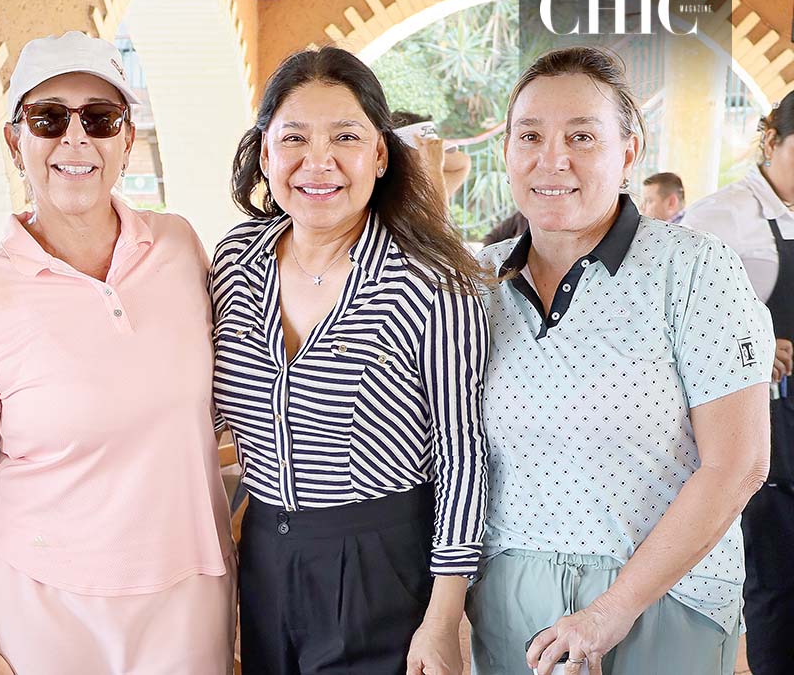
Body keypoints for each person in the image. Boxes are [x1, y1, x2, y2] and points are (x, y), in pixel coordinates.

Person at [0, 31, 234, 675]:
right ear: (15, 142)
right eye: (48, 119)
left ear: (127, 139)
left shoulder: (180, 247)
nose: (75, 139)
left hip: (189, 594)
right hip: (40, 606)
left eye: (99, 118)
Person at [468, 46, 773, 675]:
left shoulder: (694, 269)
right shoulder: (478, 282)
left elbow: (738, 463)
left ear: (629, 152)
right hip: (506, 597)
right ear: (507, 151)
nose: (553, 159)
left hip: (664, 592)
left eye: (582, 136)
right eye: (530, 136)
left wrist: (613, 608)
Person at [212, 47, 490, 675]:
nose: (319, 162)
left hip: (378, 565)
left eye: (345, 137)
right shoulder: (234, 262)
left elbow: (463, 456)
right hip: (264, 553)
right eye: (294, 138)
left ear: (380, 154)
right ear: (265, 154)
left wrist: (442, 619)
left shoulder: (431, 283)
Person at [680, 91, 794, 675]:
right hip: (765, 417)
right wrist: (751, 351)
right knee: (775, 572)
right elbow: (679, 325)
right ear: (771, 141)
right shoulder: (721, 216)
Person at [391, 110, 473, 204]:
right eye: (426, 154)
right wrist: (433, 167)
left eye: (434, 153)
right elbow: (439, 212)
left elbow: (463, 163)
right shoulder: (386, 197)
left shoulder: (420, 189)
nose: (434, 159)